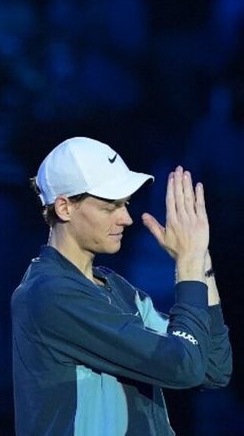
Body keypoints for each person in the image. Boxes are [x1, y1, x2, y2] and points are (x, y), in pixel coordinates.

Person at [12, 136, 231, 436]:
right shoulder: (48, 295)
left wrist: (200, 258)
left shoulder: (118, 289)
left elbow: (212, 368)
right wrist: (187, 263)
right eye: (109, 207)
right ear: (64, 208)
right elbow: (183, 366)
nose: (126, 218)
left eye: (125, 204)